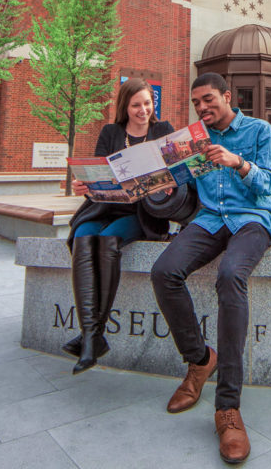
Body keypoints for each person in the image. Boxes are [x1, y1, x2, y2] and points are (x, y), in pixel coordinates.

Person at [151, 72, 271, 464]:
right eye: (196, 104)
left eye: (208, 100)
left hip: (253, 219)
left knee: (230, 276)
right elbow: (172, 184)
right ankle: (199, 359)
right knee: (164, 271)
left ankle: (227, 408)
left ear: (227, 97)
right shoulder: (194, 140)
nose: (203, 108)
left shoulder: (258, 130)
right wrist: (141, 182)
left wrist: (237, 161)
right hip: (209, 220)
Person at [65, 78, 174, 375]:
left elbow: (177, 174)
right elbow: (97, 174)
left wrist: (166, 185)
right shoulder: (111, 132)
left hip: (142, 213)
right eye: (136, 105)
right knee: (84, 236)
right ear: (125, 107)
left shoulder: (162, 131)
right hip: (104, 207)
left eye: (148, 103)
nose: (143, 110)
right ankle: (92, 335)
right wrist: (83, 185)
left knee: (108, 239)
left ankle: (91, 338)